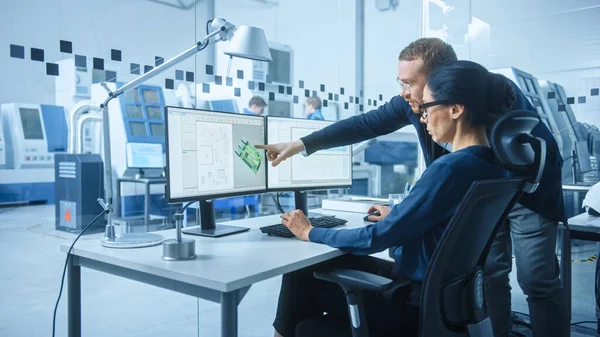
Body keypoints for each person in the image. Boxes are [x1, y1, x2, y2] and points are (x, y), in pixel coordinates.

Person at [257, 38, 569, 337]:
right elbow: (366, 124)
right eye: (400, 82)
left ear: (445, 85)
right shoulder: (420, 107)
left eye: (410, 83)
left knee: (536, 280)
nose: (404, 92)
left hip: (527, 190)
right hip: (479, 187)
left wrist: (313, 231)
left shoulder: (484, 92)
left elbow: (537, 146)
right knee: (490, 275)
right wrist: (301, 144)